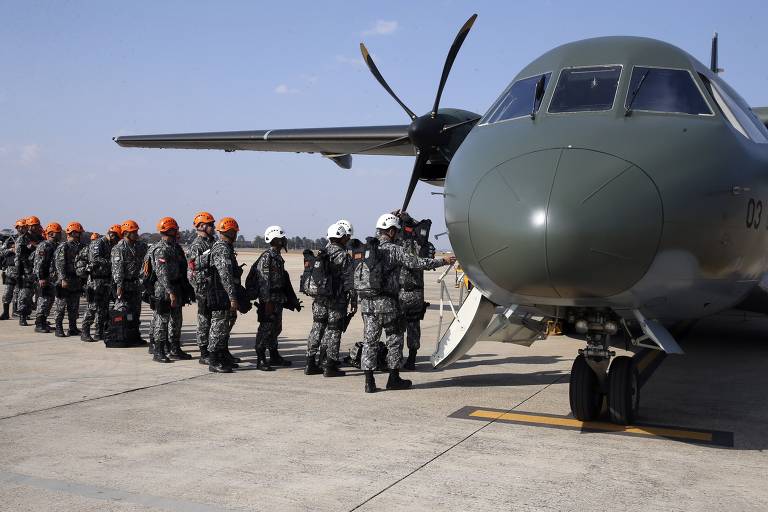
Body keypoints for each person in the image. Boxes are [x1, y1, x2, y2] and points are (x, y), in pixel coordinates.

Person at [359, 213, 455, 393]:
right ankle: (393, 379)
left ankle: (369, 382)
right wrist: (443, 260)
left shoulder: (368, 249)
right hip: (388, 304)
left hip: (367, 304)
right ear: (392, 231)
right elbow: (417, 263)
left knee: (369, 341)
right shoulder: (395, 249)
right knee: (394, 339)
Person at [305, 222, 357, 377]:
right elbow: (350, 281)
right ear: (341, 238)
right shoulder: (343, 256)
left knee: (317, 329)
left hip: (320, 299)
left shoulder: (322, 253)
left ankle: (310, 363)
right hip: (336, 301)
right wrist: (354, 302)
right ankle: (330, 366)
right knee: (334, 331)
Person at [150, 217, 193, 363]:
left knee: (176, 320)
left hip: (176, 287)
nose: (177, 232)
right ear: (169, 230)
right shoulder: (161, 249)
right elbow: (161, 274)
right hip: (164, 289)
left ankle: (174, 348)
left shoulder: (175, 247)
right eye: (174, 230)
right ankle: (159, 350)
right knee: (162, 321)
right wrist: (170, 292)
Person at [206, 217, 243, 373]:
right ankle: (214, 360)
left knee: (224, 324)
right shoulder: (221, 249)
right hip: (220, 292)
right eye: (233, 232)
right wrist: (232, 297)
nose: (235, 234)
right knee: (218, 325)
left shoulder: (226, 247)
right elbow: (225, 275)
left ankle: (221, 356)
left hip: (223, 292)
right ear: (228, 232)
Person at [251, 225, 292, 370]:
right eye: (282, 238)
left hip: (277, 299)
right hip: (269, 299)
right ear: (276, 240)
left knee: (276, 328)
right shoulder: (267, 257)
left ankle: (274, 355)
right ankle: (260, 358)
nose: (285, 240)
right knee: (266, 328)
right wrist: (266, 301)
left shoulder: (277, 257)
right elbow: (264, 281)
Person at [81, 225, 122, 342]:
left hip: (106, 280)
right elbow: (95, 259)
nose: (117, 241)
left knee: (103, 308)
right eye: (116, 238)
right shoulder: (97, 243)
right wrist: (112, 262)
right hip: (95, 280)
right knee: (92, 307)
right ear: (112, 234)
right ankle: (85, 331)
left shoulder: (111, 245)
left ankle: (99, 332)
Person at [187, 211, 217, 365]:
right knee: (204, 320)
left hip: (215, 287)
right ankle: (204, 351)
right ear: (201, 226)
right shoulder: (196, 245)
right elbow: (192, 268)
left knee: (217, 321)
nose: (213, 227)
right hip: (203, 288)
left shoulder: (213, 242)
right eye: (210, 224)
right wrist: (200, 289)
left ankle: (217, 349)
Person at [111, 220, 148, 345]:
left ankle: (135, 336)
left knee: (135, 312)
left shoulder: (139, 246)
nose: (137, 233)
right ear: (126, 233)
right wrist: (119, 286)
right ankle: (122, 336)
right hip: (124, 284)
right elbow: (118, 268)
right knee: (123, 311)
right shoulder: (119, 248)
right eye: (134, 232)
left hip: (135, 284)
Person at [53, 222, 84, 337]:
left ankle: (73, 327)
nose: (80, 235)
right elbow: (59, 263)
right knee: (61, 306)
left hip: (75, 280)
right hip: (65, 280)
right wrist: (62, 279)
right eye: (78, 233)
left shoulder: (79, 246)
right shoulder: (64, 246)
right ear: (73, 233)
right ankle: (58, 327)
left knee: (74, 306)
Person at [32, 222, 62, 333]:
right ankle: (39, 324)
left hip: (51, 278)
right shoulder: (44, 245)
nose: (59, 234)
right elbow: (40, 263)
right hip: (44, 278)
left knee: (49, 300)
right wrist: (41, 278)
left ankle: (44, 322)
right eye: (58, 233)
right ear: (51, 233)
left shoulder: (55, 245)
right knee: (43, 300)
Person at [16, 216, 45, 326]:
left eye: (38, 225)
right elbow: (19, 257)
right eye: (35, 225)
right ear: (29, 226)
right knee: (25, 295)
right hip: (27, 271)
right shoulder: (23, 238)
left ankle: (40, 318)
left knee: (41, 295)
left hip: (39, 271)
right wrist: (20, 273)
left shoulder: (41, 238)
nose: (37, 227)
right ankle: (22, 316)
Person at [0, 219, 24, 320]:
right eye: (20, 227)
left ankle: (16, 312)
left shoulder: (27, 239)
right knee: (7, 293)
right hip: (10, 269)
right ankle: (5, 313)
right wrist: (11, 249)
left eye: (24, 227)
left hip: (22, 270)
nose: (22, 228)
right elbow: (2, 252)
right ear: (17, 228)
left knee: (18, 293)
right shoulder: (10, 239)